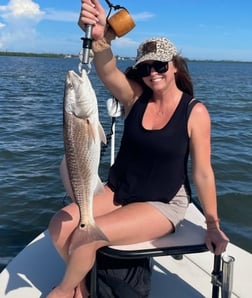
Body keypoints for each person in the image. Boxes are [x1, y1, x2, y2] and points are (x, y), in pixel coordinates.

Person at [47, 0, 229, 297]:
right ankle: (83, 286)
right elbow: (106, 71)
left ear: (174, 67)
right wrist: (102, 37)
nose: (153, 72)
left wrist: (212, 224)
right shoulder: (135, 98)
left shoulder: (194, 112)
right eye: (145, 67)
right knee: (59, 226)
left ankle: (64, 291)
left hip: (162, 202)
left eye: (159, 65)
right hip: (120, 190)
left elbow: (203, 173)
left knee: (85, 238)